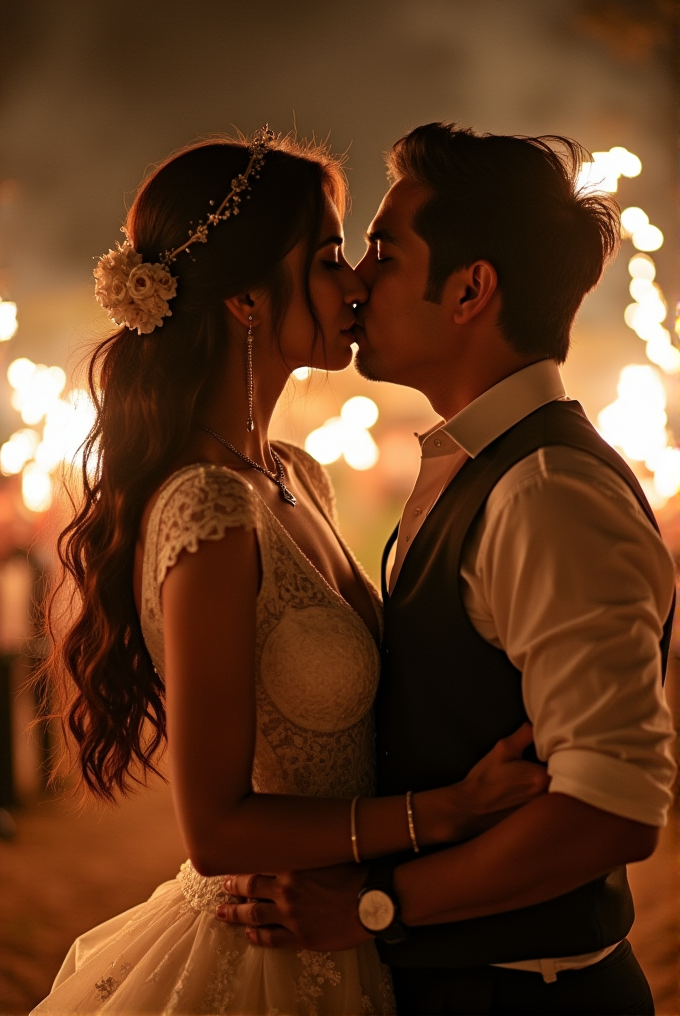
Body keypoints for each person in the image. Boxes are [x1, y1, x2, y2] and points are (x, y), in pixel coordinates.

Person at [32, 129, 549, 1016]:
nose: (355, 284)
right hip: (268, 943)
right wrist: (445, 811)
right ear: (243, 297)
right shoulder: (209, 511)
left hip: (350, 924)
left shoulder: (296, 475)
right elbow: (217, 826)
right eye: (326, 259)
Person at [217, 124, 678, 1016]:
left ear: (469, 289)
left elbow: (613, 807)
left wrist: (373, 906)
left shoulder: (546, 493)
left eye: (385, 253)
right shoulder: (477, 462)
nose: (357, 280)